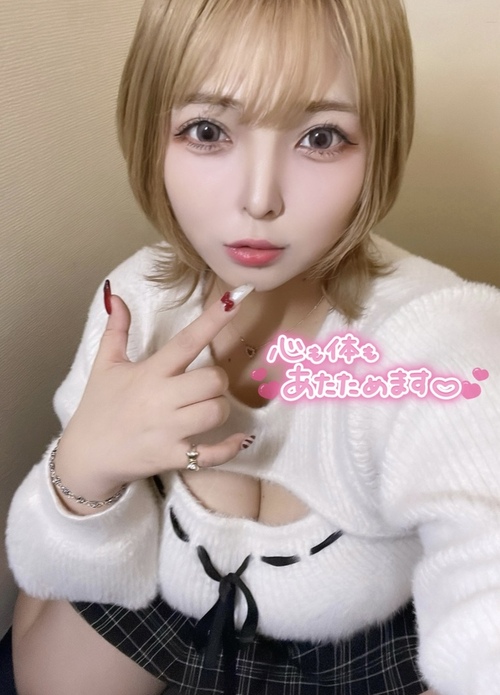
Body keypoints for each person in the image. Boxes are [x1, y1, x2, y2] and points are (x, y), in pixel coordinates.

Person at [6, 0, 500, 694]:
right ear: (151, 135)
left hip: (360, 644)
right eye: (207, 131)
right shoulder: (138, 300)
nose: (260, 199)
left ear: (380, 147)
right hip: (168, 593)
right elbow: (52, 646)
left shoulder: (432, 334)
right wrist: (85, 471)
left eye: (321, 137)